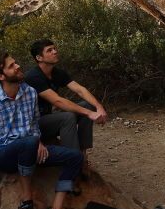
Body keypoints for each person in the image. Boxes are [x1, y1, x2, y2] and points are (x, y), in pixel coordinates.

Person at [0, 51, 82, 209]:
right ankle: (26, 201)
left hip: (30, 148)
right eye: (11, 66)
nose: (18, 66)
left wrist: (38, 141)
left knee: (75, 157)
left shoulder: (30, 93)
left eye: (15, 62)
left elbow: (34, 123)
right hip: (2, 155)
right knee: (29, 142)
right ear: (0, 75)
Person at [24, 39, 107, 176]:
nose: (55, 51)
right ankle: (73, 165)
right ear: (39, 58)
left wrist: (98, 107)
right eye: (49, 50)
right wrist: (89, 114)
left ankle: (82, 156)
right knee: (68, 116)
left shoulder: (57, 73)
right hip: (34, 126)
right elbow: (57, 101)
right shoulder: (33, 77)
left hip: (48, 118)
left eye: (54, 48)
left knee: (87, 105)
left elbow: (80, 89)